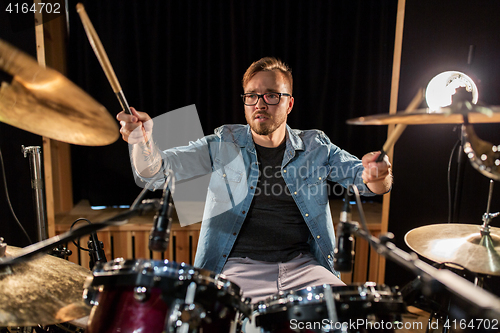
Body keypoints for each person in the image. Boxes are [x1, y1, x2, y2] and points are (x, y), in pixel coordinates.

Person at [117, 57, 392, 304]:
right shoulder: (224, 142)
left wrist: (378, 174)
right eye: (252, 96)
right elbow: (155, 173)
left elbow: (370, 183)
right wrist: (142, 141)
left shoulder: (316, 147)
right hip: (236, 270)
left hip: (305, 269)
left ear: (289, 103)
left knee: (346, 316)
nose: (260, 103)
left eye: (271, 95)